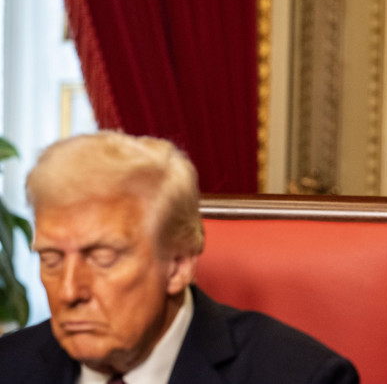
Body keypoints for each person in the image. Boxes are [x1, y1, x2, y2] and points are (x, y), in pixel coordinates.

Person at [0, 131, 359, 384]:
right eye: (51, 260)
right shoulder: (9, 367)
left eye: (103, 258)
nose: (68, 292)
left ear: (179, 264)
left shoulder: (301, 376)